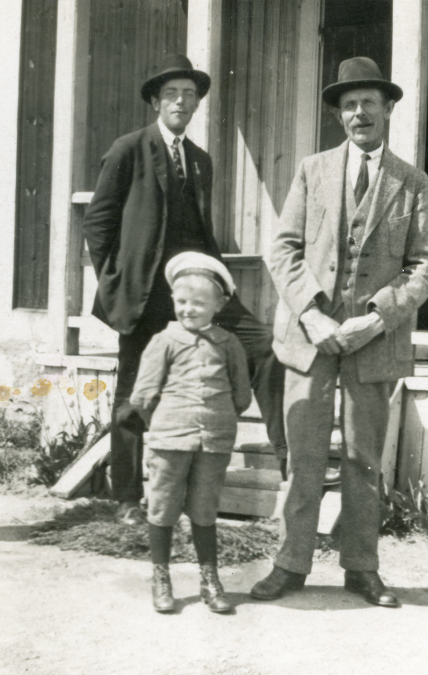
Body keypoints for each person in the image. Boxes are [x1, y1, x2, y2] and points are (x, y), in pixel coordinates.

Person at [252, 57, 428, 605]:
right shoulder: (312, 170)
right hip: (309, 339)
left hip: (372, 343)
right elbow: (283, 248)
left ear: (388, 110)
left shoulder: (411, 181)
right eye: (350, 104)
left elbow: (423, 265)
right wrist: (310, 312)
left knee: (362, 459)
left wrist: (378, 316)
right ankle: (290, 563)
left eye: (370, 103)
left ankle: (362, 567)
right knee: (303, 455)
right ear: (339, 114)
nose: (360, 113)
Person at [83, 54, 286, 527]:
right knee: (135, 394)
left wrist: (216, 284)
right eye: (172, 94)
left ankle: (287, 458)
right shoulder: (129, 149)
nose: (181, 101)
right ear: (156, 101)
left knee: (265, 349)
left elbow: (200, 229)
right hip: (145, 295)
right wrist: (117, 282)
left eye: (189, 95)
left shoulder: (200, 161)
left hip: (199, 284)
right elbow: (97, 223)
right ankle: (128, 498)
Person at [129, 252, 252, 614]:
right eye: (181, 302)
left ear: (219, 304)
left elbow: (241, 395)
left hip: (214, 440)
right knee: (163, 506)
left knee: (205, 509)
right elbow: (142, 396)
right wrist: (167, 423)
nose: (188, 310)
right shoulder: (164, 341)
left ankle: (209, 579)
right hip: (170, 439)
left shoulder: (228, 344)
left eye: (199, 303)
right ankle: (161, 576)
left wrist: (218, 418)